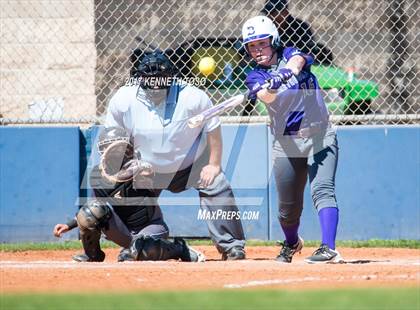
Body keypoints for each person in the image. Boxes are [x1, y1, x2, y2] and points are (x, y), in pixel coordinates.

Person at [82, 51, 245, 261]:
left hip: (190, 165)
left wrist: (214, 164)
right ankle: (142, 242)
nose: (155, 86)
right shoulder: (123, 99)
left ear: (172, 77)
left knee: (216, 183)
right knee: (106, 184)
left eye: (161, 80)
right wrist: (131, 167)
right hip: (144, 168)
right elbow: (113, 143)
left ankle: (232, 246)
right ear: (139, 78)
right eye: (148, 80)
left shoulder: (193, 97)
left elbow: (212, 128)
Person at [241, 15, 343, 263]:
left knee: (322, 190)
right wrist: (271, 85)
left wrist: (285, 73)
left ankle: (328, 248)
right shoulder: (254, 77)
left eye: (262, 44)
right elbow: (268, 98)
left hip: (320, 135)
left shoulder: (290, 54)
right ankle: (291, 243)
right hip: (286, 142)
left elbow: (300, 60)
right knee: (288, 210)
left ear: (273, 41)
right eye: (252, 47)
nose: (258, 51)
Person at [53, 126, 206, 263]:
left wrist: (155, 173)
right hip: (123, 231)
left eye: (119, 148)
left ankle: (179, 248)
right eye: (108, 148)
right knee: (90, 211)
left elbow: (171, 179)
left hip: (150, 227)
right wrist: (69, 225)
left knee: (134, 253)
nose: (114, 152)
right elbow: (94, 205)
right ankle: (93, 255)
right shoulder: (98, 176)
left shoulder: (142, 168)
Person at [261, 0, 333, 65]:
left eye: (273, 13)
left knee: (322, 50)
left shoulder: (300, 26)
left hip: (297, 60)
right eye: (267, 13)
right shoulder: (266, 28)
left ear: (285, 12)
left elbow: (308, 48)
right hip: (273, 60)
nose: (269, 16)